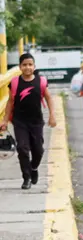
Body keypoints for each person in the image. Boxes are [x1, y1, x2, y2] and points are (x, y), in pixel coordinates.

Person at [0, 53, 57, 190]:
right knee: (22, 148)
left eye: (30, 64)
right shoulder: (14, 83)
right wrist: (5, 120)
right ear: (20, 67)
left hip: (36, 122)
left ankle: (34, 167)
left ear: (34, 66)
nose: (27, 67)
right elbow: (10, 103)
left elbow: (48, 98)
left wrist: (52, 115)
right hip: (20, 121)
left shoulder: (41, 81)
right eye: (24, 65)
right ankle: (26, 178)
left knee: (38, 150)